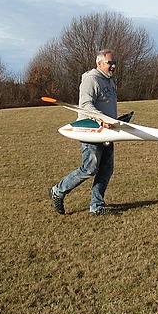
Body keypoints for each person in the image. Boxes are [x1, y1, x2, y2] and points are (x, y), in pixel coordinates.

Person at [49, 49, 121, 216]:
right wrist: (102, 120)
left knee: (106, 169)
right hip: (92, 130)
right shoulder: (91, 79)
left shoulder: (110, 82)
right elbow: (86, 105)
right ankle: (58, 191)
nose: (113, 66)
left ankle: (96, 206)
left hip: (108, 132)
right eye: (110, 63)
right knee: (90, 168)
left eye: (114, 63)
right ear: (99, 63)